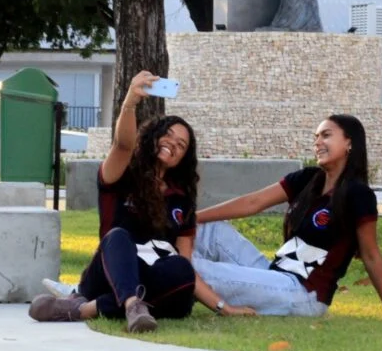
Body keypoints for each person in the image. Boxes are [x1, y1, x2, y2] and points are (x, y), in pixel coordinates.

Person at [29, 72, 248, 332]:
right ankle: (132, 305)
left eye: (181, 145)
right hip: (110, 272)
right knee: (118, 236)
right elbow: (123, 145)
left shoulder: (182, 199)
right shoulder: (122, 175)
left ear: (184, 158)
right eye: (167, 135)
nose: (173, 144)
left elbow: (186, 264)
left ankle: (83, 308)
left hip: (155, 278)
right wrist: (130, 102)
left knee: (181, 270)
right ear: (153, 136)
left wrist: (224, 308)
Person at [193, 114, 382, 320]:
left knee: (194, 267)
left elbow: (371, 255)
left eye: (326, 135)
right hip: (274, 274)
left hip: (302, 294)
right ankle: (170, 273)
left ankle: (168, 280)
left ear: (350, 143)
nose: (317, 142)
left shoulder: (358, 195)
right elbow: (254, 202)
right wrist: (190, 219)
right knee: (207, 229)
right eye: (316, 137)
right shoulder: (308, 179)